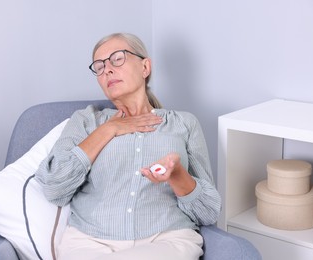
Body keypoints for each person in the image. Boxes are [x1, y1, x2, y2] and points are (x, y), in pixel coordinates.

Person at [35, 33, 221, 260]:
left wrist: (177, 174)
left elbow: (209, 211)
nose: (107, 70)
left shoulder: (184, 123)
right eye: (99, 66)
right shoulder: (86, 121)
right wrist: (108, 130)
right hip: (89, 242)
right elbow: (55, 188)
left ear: (145, 67)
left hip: (166, 241)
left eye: (117, 59)